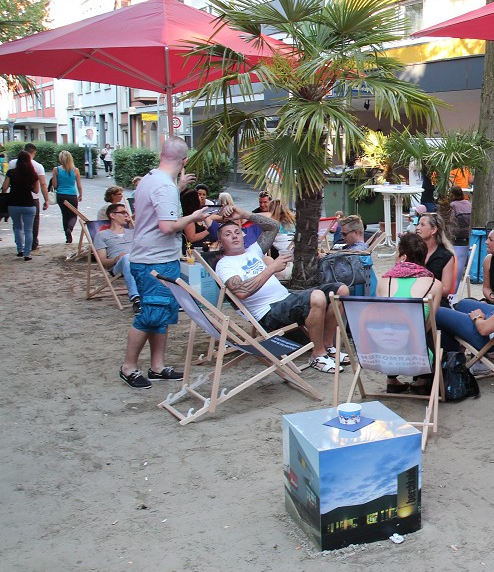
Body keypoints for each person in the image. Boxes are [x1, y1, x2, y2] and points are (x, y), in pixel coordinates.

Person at [119, 138, 210, 389]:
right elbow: (168, 226)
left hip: (154, 257)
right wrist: (194, 216)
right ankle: (129, 367)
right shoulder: (164, 187)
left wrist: (178, 187)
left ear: (161, 154)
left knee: (162, 314)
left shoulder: (151, 179)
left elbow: (156, 207)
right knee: (150, 314)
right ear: (184, 161)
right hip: (154, 260)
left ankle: (157, 366)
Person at [215, 207, 350, 374]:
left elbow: (273, 226)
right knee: (316, 297)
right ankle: (317, 354)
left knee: (341, 290)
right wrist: (271, 268)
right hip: (268, 311)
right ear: (220, 242)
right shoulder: (224, 265)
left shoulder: (253, 251)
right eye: (227, 234)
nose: (234, 235)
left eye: (237, 231)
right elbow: (241, 291)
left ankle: (328, 346)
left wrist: (243, 214)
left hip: (287, 297)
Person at [376, 232, 443, 393]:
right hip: (418, 356)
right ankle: (422, 380)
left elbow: (377, 319)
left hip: (380, 355)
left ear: (403, 257)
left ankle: (391, 379)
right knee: (426, 327)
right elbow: (428, 326)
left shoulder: (384, 282)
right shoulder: (434, 284)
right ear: (424, 258)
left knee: (390, 326)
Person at [93, 203, 140, 313]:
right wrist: (116, 258)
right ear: (112, 215)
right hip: (117, 266)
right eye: (123, 213)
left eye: (127, 213)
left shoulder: (133, 232)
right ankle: (136, 298)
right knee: (127, 258)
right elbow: (102, 261)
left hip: (138, 262)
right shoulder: (102, 235)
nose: (126, 216)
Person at [2, 151, 48, 260]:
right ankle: (27, 254)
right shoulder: (32, 174)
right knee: (28, 230)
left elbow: (4, 188)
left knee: (17, 227)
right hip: (29, 204)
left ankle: (20, 250)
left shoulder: (11, 173)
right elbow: (36, 191)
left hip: (13, 204)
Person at [415, 213, 456, 303]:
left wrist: (419, 289)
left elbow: (445, 290)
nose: (417, 227)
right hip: (413, 300)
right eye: (417, 224)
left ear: (433, 230)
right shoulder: (412, 252)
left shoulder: (445, 256)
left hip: (436, 303)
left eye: (422, 225)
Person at [50, 150, 83, 243]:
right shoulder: (75, 170)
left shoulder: (56, 169)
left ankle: (67, 236)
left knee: (64, 215)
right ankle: (70, 228)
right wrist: (80, 194)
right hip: (72, 194)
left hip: (61, 194)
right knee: (73, 215)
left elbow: (55, 185)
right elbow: (79, 185)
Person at [23, 143, 46, 252]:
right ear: (34, 152)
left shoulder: (12, 164)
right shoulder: (37, 166)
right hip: (33, 198)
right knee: (34, 222)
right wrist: (46, 199)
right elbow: (42, 184)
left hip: (16, 197)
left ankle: (20, 246)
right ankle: (33, 244)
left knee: (18, 224)